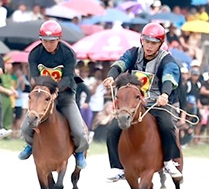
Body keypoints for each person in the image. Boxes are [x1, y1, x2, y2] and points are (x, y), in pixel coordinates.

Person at [102, 23, 183, 180]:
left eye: (154, 43)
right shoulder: (133, 53)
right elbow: (120, 64)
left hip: (156, 102)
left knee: (167, 126)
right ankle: (117, 167)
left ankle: (168, 161)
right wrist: (111, 76)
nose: (149, 46)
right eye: (147, 41)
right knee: (112, 129)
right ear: (142, 41)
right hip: (133, 103)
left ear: (160, 44)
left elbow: (169, 77)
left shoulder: (166, 59)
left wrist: (165, 95)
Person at [18, 20, 89, 168]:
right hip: (42, 95)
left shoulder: (68, 53)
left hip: (64, 94)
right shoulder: (35, 54)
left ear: (59, 39)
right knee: (25, 128)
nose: (48, 44)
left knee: (78, 130)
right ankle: (31, 145)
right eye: (45, 41)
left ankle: (80, 152)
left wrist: (56, 91)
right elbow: (35, 77)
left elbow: (68, 77)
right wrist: (44, 92)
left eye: (52, 41)